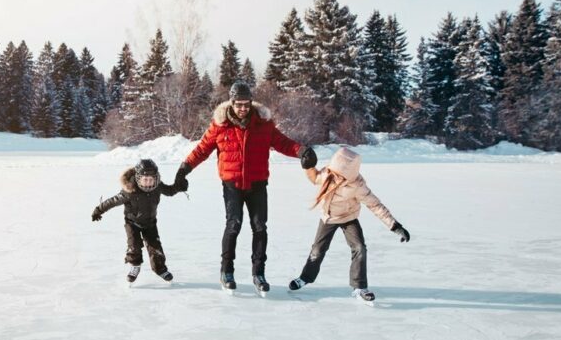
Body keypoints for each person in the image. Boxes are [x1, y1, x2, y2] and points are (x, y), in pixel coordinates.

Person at [175, 81, 318, 294]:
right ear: (231, 103)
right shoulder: (220, 125)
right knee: (234, 224)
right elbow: (202, 149)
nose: (242, 108)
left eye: (246, 104)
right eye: (238, 104)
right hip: (231, 184)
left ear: (251, 103)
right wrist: (184, 169)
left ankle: (258, 273)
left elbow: (283, 143)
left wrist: (302, 151)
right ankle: (227, 271)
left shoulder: (263, 124)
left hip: (258, 183)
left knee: (260, 226)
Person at [288, 146, 411, 302]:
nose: (333, 174)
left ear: (347, 172)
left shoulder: (357, 185)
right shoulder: (328, 174)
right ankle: (305, 278)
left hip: (349, 218)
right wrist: (308, 167)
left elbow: (375, 205)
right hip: (328, 218)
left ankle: (359, 287)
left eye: (338, 172)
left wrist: (395, 226)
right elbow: (315, 179)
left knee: (359, 248)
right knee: (318, 250)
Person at [92, 159, 187, 284]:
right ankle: (135, 266)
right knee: (134, 246)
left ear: (156, 178)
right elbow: (113, 201)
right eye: (145, 179)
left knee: (156, 247)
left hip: (150, 223)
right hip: (132, 223)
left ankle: (160, 269)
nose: (148, 183)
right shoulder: (129, 191)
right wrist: (99, 210)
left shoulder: (157, 187)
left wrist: (179, 187)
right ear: (138, 178)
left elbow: (169, 191)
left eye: (151, 179)